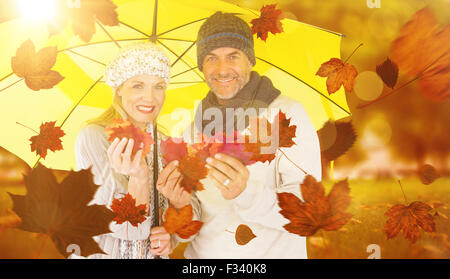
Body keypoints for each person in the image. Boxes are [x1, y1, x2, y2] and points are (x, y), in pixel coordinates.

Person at [157, 12, 322, 259]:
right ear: (202, 66)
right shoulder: (191, 130)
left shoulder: (286, 115)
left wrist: (246, 194)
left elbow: (308, 213)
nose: (222, 69)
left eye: (233, 56)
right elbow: (189, 229)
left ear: (250, 61)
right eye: (211, 58)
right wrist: (180, 207)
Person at [74, 42, 176, 259]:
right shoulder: (94, 137)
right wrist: (139, 178)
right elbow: (126, 229)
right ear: (119, 88)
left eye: (158, 86)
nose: (149, 97)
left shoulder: (165, 145)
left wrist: (171, 236)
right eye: (138, 85)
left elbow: (180, 213)